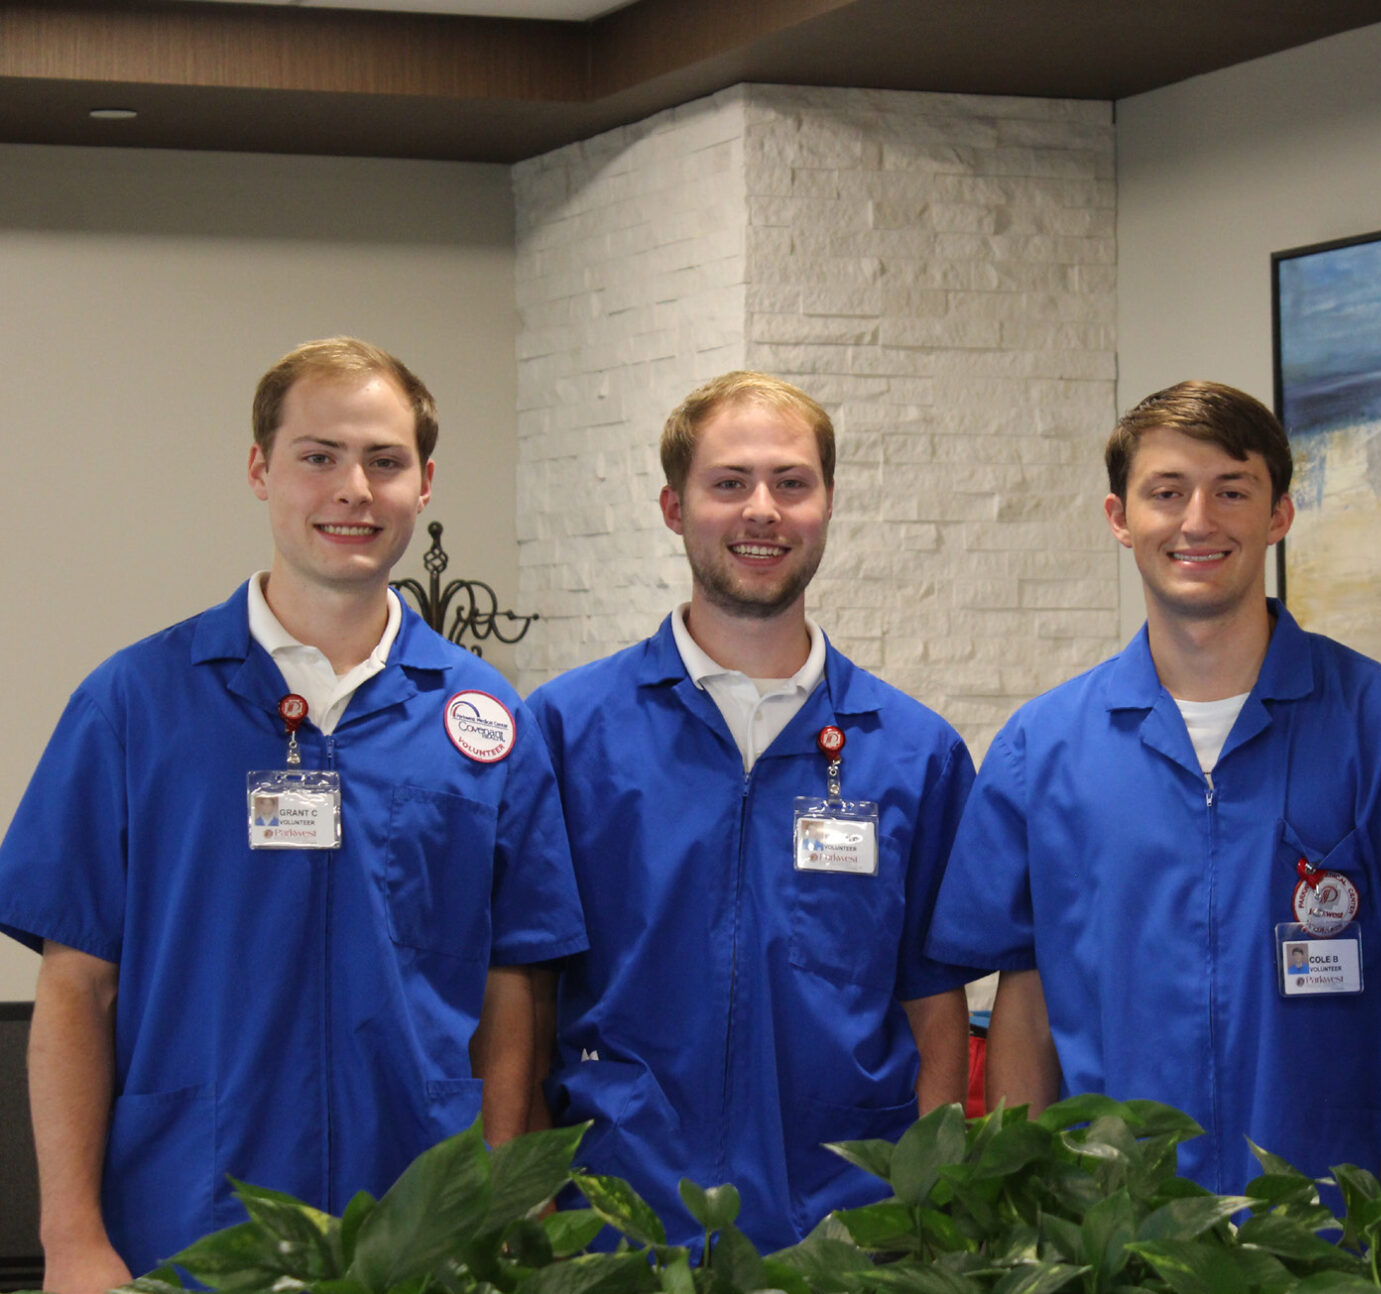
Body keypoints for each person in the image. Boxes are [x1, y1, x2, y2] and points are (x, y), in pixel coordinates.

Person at [0, 338, 586, 1290]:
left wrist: (507, 1189)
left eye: (385, 461)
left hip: (418, 1217)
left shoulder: (484, 720)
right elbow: (76, 991)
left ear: (425, 483)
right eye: (318, 456)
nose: (353, 488)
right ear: (259, 469)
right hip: (187, 1214)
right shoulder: (133, 705)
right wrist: (70, 1235)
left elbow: (512, 983)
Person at [926, 380, 1381, 1191]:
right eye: (1167, 493)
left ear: (1279, 514)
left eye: (1232, 491)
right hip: (1116, 1235)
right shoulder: (1041, 749)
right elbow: (1026, 1001)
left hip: (1334, 1235)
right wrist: (1024, 1220)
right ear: (1119, 519)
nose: (1198, 522)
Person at [528, 371, 975, 1250]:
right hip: (621, 1221)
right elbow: (526, 989)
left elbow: (936, 1006)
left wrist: (927, 1207)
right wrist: (530, 1204)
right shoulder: (565, 731)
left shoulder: (916, 752)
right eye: (729, 483)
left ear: (828, 503)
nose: (761, 510)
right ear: (673, 506)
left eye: (791, 483)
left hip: (844, 1227)